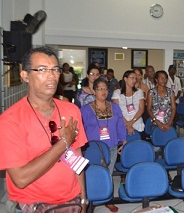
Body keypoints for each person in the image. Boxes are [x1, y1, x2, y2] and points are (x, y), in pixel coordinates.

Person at [0, 46, 88, 212]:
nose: (51, 76)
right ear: (25, 75)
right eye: (42, 70)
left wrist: (83, 200)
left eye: (55, 69)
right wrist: (63, 143)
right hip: (33, 206)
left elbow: (77, 157)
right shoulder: (10, 120)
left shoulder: (71, 110)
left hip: (72, 202)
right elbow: (21, 179)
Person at [81, 78, 126, 212]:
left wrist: (123, 140)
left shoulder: (114, 107)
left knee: (108, 174)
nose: (103, 91)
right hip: (92, 149)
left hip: (111, 146)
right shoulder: (85, 109)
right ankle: (91, 201)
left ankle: (108, 199)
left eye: (105, 88)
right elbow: (81, 128)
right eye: (100, 88)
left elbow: (120, 124)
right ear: (94, 91)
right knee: (93, 175)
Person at [112, 70, 146, 139]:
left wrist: (131, 123)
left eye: (135, 78)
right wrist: (127, 124)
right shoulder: (117, 93)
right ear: (125, 79)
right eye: (132, 78)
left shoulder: (139, 92)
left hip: (137, 124)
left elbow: (141, 109)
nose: (134, 80)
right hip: (122, 124)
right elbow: (116, 111)